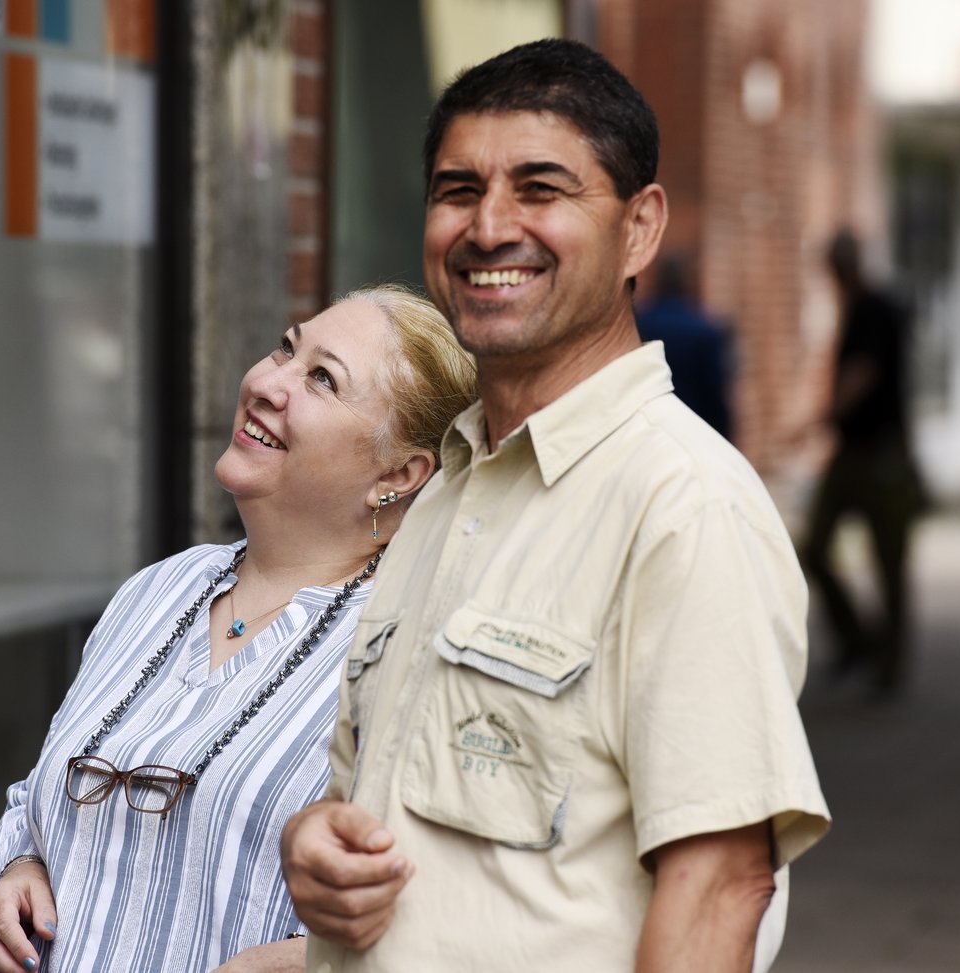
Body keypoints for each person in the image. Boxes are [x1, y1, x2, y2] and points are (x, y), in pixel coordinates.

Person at [281, 39, 830, 972]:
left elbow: (722, 886)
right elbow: (378, 794)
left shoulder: (681, 504)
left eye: (541, 189)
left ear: (640, 227)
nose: (489, 227)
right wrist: (313, 843)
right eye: (458, 190)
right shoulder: (449, 488)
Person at [0, 285, 477, 973]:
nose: (267, 382)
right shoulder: (160, 589)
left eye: (322, 378)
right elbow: (37, 800)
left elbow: (453, 909)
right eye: (285, 350)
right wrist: (16, 871)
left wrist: (309, 961)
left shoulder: (408, 647)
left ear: (398, 474)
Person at [802, 228, 925, 693]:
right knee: (816, 549)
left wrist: (825, 416)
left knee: (889, 561)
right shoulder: (861, 306)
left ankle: (888, 666)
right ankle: (859, 642)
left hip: (880, 455)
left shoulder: (874, 309)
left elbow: (865, 373)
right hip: (855, 452)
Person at [637, 252, 734, 440]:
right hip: (694, 430)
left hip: (646, 430)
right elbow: (714, 395)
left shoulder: (640, 323)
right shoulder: (704, 330)